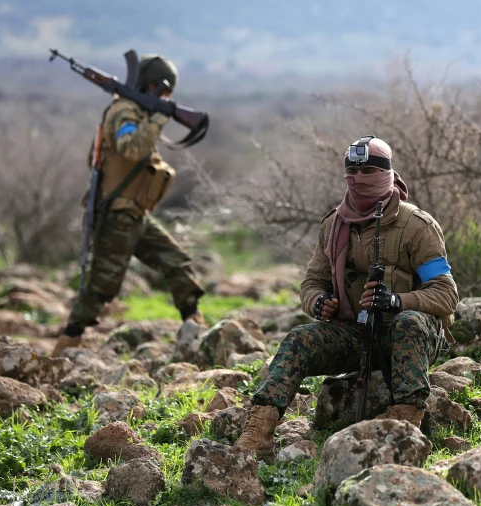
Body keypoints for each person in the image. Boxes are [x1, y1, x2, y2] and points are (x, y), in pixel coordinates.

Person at [235, 136, 459, 460]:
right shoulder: (334, 225)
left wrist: (396, 301)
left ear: (387, 174)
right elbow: (312, 282)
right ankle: (257, 433)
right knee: (298, 339)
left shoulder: (416, 226)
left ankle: (404, 425)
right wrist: (317, 302)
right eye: (352, 171)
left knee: (409, 323)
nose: (358, 179)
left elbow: (446, 293)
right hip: (356, 333)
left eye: (368, 170)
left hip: (410, 337)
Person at [52, 55, 205, 357]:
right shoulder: (124, 111)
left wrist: (157, 115)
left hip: (135, 214)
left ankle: (195, 325)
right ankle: (65, 347)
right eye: (164, 93)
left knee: (177, 262)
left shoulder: (139, 111)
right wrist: (160, 117)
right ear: (153, 87)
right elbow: (131, 147)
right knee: (100, 288)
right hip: (117, 216)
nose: (167, 98)